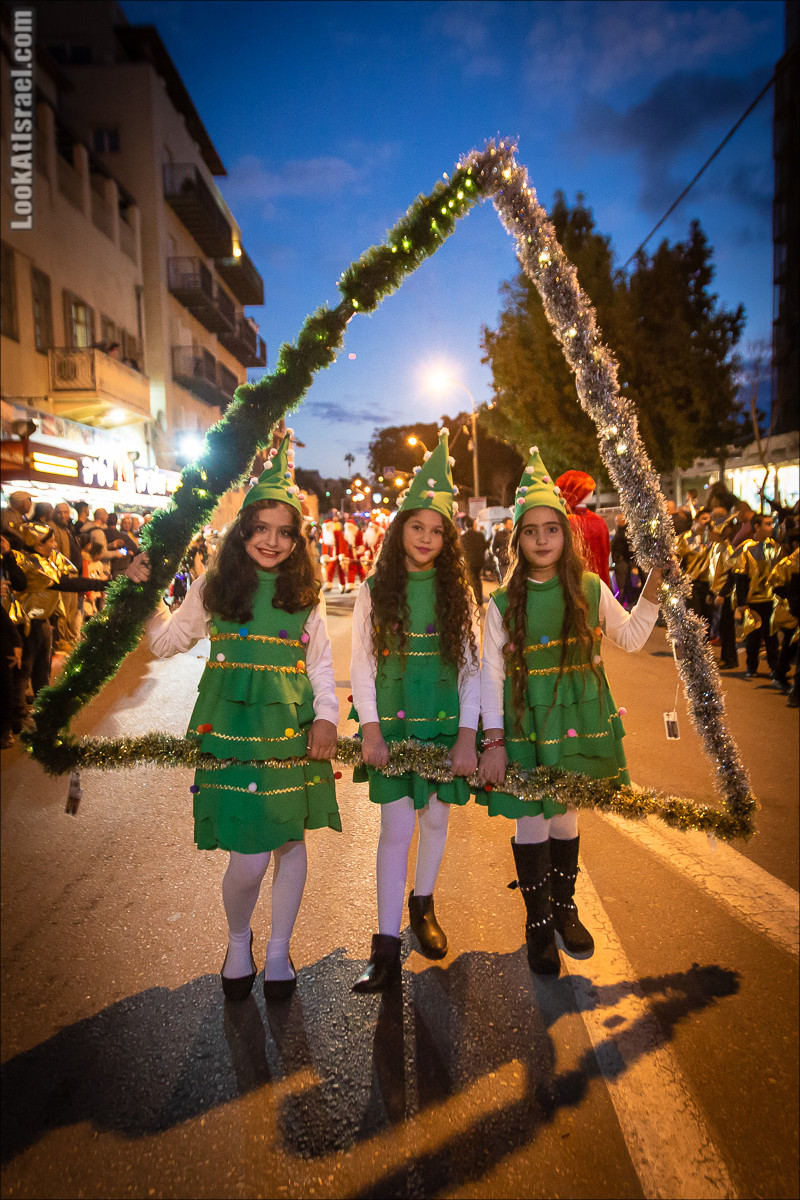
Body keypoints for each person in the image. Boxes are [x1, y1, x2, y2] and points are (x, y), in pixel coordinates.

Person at [125, 435, 340, 1002]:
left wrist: (327, 719)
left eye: (284, 531)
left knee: (290, 842)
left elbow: (319, 665)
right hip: (234, 733)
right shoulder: (214, 587)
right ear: (243, 529)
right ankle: (239, 939)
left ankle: (278, 952)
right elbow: (167, 642)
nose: (272, 541)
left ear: (297, 538)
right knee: (248, 854)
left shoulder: (307, 593)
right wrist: (146, 593)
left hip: (291, 730)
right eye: (261, 528)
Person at [476, 447, 662, 978]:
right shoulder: (500, 602)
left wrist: (651, 590)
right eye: (530, 531)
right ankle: (537, 922)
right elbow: (489, 673)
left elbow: (629, 636)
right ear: (516, 540)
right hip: (528, 721)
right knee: (531, 817)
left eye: (550, 530)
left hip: (579, 714)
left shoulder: (588, 587)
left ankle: (565, 908)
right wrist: (492, 741)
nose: (541, 539)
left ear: (566, 533)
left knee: (566, 812)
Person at [349, 430, 480, 992]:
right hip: (397, 725)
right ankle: (384, 945)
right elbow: (361, 665)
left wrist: (468, 737)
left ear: (448, 538)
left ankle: (422, 906)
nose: (426, 537)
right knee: (396, 827)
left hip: (444, 723)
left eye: (436, 530)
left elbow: (474, 668)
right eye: (416, 525)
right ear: (400, 528)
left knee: (436, 818)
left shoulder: (461, 593)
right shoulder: (374, 590)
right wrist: (371, 728)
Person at [733, 513, 781, 679]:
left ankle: (775, 667)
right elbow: (741, 578)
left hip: (771, 598)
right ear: (757, 527)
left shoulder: (774, 546)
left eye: (771, 524)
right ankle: (751, 666)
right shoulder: (746, 548)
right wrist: (742, 602)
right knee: (753, 636)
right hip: (753, 600)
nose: (771, 527)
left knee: (771, 636)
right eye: (767, 524)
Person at [555, 470, 611, 586]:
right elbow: (606, 553)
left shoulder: (564, 521)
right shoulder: (598, 521)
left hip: (572, 584)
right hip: (598, 584)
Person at [460, 515, 488, 605]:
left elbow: (462, 549)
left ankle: (476, 598)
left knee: (473, 579)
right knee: (478, 579)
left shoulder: (464, 536)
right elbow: (484, 547)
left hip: (470, 561)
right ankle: (479, 599)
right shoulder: (480, 535)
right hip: (479, 561)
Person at [490, 517, 513, 583]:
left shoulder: (514, 534)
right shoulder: (499, 534)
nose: (511, 525)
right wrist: (500, 556)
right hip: (503, 562)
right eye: (509, 523)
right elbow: (493, 548)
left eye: (512, 523)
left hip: (513, 562)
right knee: (504, 581)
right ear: (505, 524)